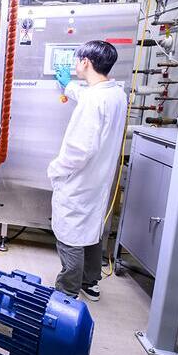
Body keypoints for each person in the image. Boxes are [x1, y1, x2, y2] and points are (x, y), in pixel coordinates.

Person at [47, 40, 127, 302]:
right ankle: (90, 282)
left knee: (70, 234)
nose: (74, 64)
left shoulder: (95, 100)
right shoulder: (115, 93)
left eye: (76, 59)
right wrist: (68, 86)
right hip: (99, 180)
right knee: (91, 231)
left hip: (79, 180)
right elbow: (90, 96)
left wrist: (56, 170)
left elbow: (79, 149)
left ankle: (67, 291)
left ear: (86, 63)